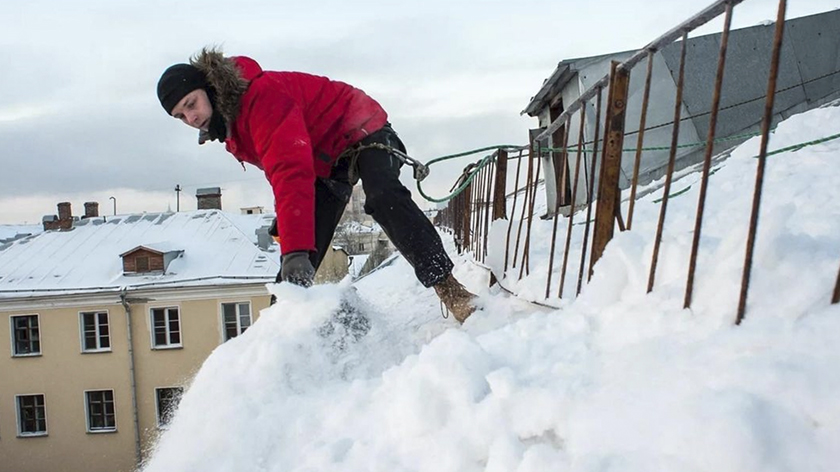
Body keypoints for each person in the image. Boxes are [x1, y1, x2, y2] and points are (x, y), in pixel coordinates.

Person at [156, 47, 476, 322]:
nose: (191, 118)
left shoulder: (259, 98)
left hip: (360, 130)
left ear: (209, 88)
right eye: (180, 116)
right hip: (325, 160)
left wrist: (294, 248)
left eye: (191, 104)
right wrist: (294, 242)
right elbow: (289, 172)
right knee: (297, 253)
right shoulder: (230, 124)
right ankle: (276, 338)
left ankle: (450, 289)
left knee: (382, 196)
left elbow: (289, 170)